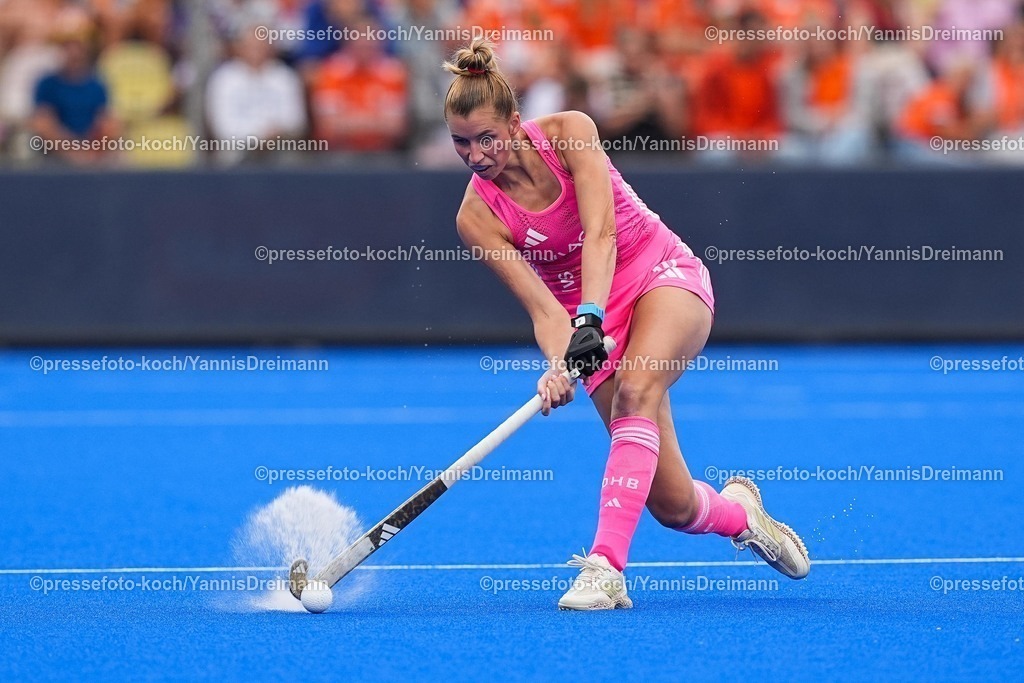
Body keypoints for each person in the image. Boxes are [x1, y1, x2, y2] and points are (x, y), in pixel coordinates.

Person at [443, 39, 809, 611]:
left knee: (636, 391)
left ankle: (605, 569)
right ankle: (742, 514)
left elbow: (602, 233)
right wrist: (561, 364)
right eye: (460, 142)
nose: (475, 154)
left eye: (486, 138)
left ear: (515, 123)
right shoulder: (476, 216)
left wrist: (587, 317)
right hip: (590, 315)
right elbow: (542, 309)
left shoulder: (571, 132)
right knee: (674, 506)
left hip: (658, 271)